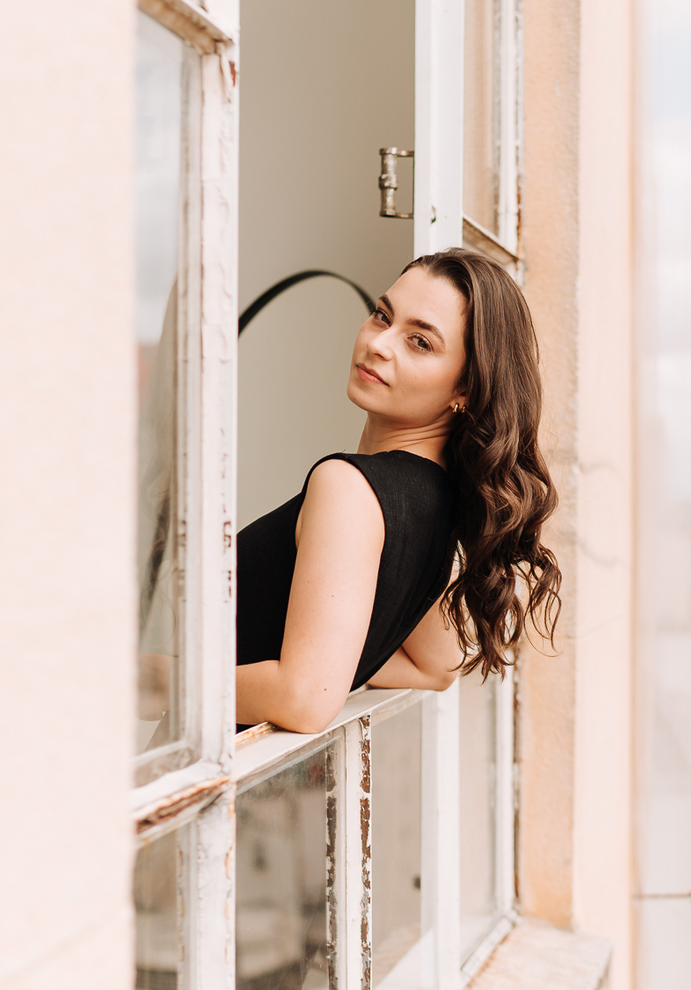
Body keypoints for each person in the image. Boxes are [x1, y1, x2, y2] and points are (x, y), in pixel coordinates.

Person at [235, 248, 560, 733]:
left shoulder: (349, 488)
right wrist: (333, 660)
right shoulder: (436, 502)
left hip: (221, 764)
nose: (379, 344)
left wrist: (158, 678)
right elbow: (436, 667)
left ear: (466, 389)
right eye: (382, 315)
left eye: (420, 342)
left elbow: (304, 700)